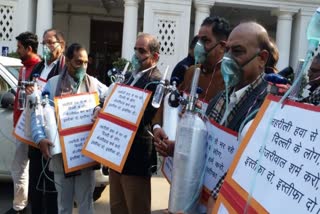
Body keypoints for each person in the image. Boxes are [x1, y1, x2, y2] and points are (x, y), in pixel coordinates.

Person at [31, 43, 108, 213]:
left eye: (86, 62)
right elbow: (38, 113)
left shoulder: (93, 84)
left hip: (85, 155)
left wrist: (100, 108)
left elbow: (111, 97)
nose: (83, 67)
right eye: (79, 62)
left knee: (85, 204)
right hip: (61, 155)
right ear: (67, 61)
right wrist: (39, 137)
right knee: (64, 206)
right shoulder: (53, 84)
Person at [100, 33, 162, 214]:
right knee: (117, 207)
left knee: (136, 207)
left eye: (141, 51)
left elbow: (146, 117)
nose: (136, 55)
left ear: (154, 57)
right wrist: (101, 107)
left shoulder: (156, 82)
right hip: (116, 155)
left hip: (136, 158)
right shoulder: (127, 76)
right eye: (135, 49)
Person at [153, 16, 231, 156]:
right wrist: (157, 127)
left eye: (205, 41)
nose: (199, 46)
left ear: (222, 47)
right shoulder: (191, 71)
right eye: (199, 40)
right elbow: (170, 100)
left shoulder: (230, 81)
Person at [28, 28, 66, 214]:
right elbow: (28, 89)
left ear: (62, 45)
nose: (47, 47)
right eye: (45, 43)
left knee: (51, 186)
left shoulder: (65, 68)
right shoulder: (39, 66)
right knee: (34, 181)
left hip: (52, 133)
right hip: (35, 131)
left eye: (51, 42)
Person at [5, 32, 41, 214]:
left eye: (19, 47)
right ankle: (21, 205)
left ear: (29, 48)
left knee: (29, 168)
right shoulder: (23, 68)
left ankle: (21, 206)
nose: (17, 50)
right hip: (20, 125)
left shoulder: (39, 69)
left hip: (33, 127)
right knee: (19, 167)